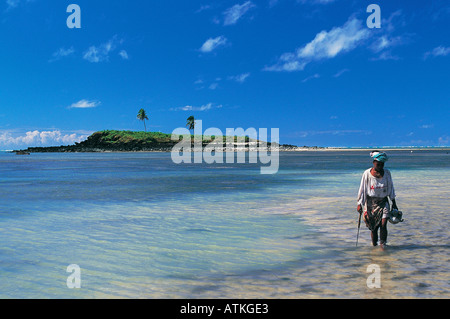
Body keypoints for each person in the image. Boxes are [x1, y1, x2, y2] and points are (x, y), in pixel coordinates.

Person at [357, 151, 399, 248]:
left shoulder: (387, 173)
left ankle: (382, 246)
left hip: (383, 202)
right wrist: (359, 204)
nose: (380, 166)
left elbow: (391, 189)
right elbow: (362, 189)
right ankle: (374, 246)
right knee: (373, 228)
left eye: (382, 164)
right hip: (370, 203)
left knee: (383, 224)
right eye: (378, 164)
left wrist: (394, 203)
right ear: (373, 162)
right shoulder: (367, 174)